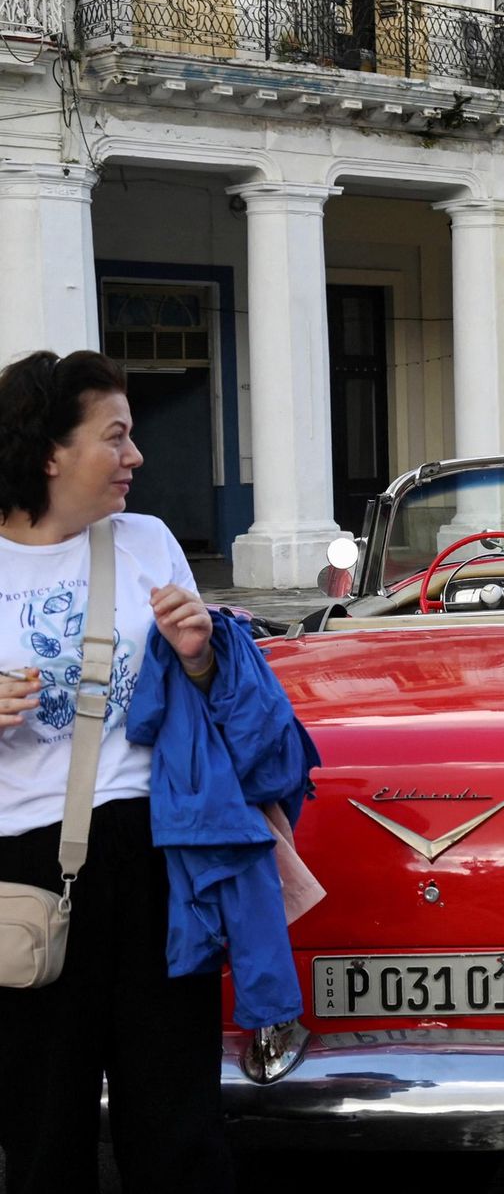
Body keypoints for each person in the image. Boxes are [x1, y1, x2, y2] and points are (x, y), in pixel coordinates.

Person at [0, 351, 235, 1190]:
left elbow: (211, 700)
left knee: (177, 1118)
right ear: (49, 452)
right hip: (26, 868)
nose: (136, 456)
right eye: (117, 436)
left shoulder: (148, 542)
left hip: (157, 847)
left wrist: (201, 655)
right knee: (40, 1119)